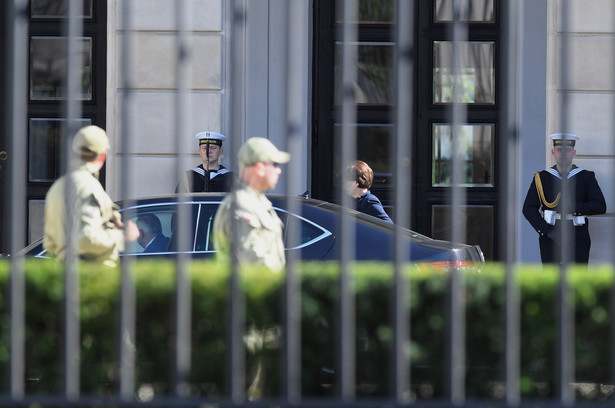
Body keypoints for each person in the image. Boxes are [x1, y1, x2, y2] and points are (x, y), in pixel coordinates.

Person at [44, 125, 139, 267]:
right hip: (90, 278)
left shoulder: (57, 187)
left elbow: (50, 244)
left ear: (72, 152)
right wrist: (122, 237)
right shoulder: (88, 186)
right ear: (103, 155)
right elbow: (85, 238)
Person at [522, 133, 606, 264]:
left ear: (573, 152)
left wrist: (573, 207)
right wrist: (546, 231)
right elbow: (528, 208)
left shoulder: (586, 177)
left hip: (577, 234)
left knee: (577, 278)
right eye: (559, 150)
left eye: (567, 150)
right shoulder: (542, 178)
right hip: (551, 234)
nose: (563, 154)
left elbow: (600, 206)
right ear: (553, 152)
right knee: (552, 279)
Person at [212, 137, 290, 271]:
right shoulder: (242, 206)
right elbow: (255, 265)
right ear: (260, 168)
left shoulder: (256, 202)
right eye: (274, 165)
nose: (279, 171)